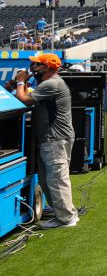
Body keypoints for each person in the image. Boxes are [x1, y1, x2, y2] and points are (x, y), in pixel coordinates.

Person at [13, 53, 76, 229]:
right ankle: (64, 214)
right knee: (47, 178)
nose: (33, 68)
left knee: (56, 179)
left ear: (47, 68)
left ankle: (66, 219)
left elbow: (24, 100)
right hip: (52, 138)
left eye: (37, 65)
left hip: (55, 139)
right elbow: (28, 97)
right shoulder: (48, 83)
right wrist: (23, 84)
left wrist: (20, 81)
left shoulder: (52, 83)